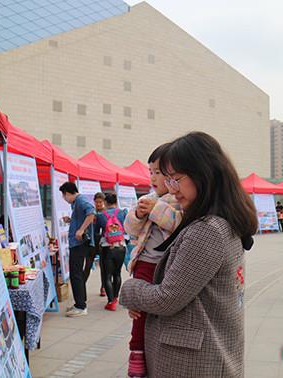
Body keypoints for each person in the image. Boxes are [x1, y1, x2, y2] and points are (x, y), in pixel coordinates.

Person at [120, 132, 257, 378]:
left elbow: (166, 298)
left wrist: (131, 290)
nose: (171, 188)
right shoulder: (219, 221)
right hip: (205, 356)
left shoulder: (206, 230)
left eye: (175, 179)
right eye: (167, 180)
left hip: (191, 363)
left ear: (203, 174)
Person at [123, 143, 182, 378]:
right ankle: (136, 355)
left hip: (165, 266)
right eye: (151, 172)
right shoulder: (147, 198)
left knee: (158, 310)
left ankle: (151, 354)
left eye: (158, 172)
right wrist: (138, 214)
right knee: (138, 313)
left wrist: (157, 209)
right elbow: (131, 229)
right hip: (143, 263)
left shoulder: (179, 200)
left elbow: (178, 225)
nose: (153, 177)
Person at [59, 182, 96, 317]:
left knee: (76, 274)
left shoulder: (81, 201)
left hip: (79, 244)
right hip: (77, 243)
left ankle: (81, 306)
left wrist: (81, 230)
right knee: (77, 273)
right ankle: (79, 303)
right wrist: (71, 220)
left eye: (64, 196)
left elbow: (91, 213)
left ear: (68, 193)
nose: (64, 199)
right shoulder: (77, 203)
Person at [95, 193, 128, 311]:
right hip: (121, 246)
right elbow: (127, 228)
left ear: (105, 203)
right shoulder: (123, 213)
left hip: (107, 248)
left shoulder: (100, 215)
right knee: (117, 274)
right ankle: (115, 298)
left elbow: (97, 232)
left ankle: (110, 302)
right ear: (116, 202)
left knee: (107, 275)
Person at [84, 192, 106, 297]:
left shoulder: (106, 214)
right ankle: (82, 286)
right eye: (96, 202)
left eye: (100, 202)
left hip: (102, 243)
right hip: (92, 243)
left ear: (104, 202)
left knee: (104, 266)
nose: (98, 204)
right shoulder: (91, 212)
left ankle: (103, 287)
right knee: (88, 265)